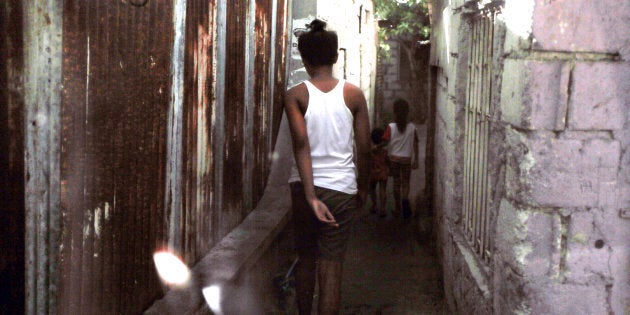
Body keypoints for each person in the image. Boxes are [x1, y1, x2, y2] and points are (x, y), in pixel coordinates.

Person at [284, 19, 370, 314]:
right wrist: (363, 187)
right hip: (342, 189)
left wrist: (309, 196)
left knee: (305, 260)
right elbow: (365, 148)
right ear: (335, 56)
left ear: (304, 59)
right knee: (331, 270)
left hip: (303, 189)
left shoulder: (296, 95)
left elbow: (300, 145)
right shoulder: (353, 95)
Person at [382, 99, 419, 219]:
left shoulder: (390, 127)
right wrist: (416, 159)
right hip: (406, 160)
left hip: (394, 160)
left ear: (394, 111)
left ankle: (398, 208)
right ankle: (405, 200)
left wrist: (376, 147)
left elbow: (385, 142)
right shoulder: (412, 128)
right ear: (407, 111)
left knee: (396, 183)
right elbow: (415, 144)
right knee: (406, 183)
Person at [368, 127, 388, 217]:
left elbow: (366, 161)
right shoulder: (384, 151)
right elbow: (388, 161)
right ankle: (383, 209)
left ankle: (373, 205)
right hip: (383, 172)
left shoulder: (370, 152)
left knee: (372, 189)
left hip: (372, 173)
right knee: (382, 190)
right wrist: (390, 169)